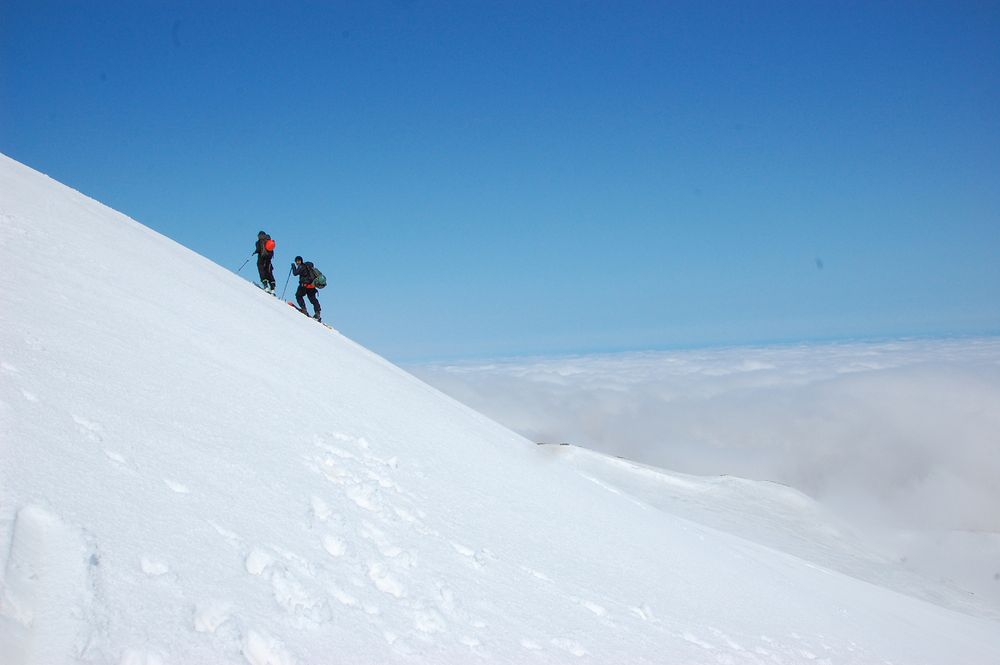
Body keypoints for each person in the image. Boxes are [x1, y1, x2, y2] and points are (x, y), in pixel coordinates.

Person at [291, 256, 321, 322]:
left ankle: (304, 309)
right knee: (313, 299)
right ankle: (317, 313)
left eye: (298, 261)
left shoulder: (301, 266)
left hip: (304, 286)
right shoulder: (310, 268)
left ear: (301, 261)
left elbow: (295, 273)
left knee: (298, 296)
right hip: (312, 286)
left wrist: (293, 266)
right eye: (297, 261)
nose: (297, 262)